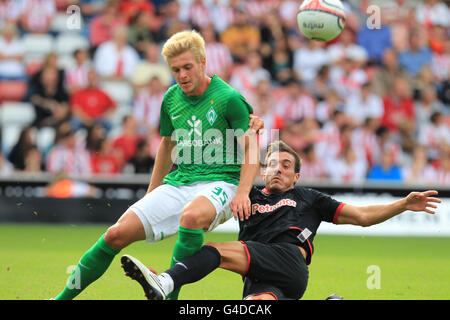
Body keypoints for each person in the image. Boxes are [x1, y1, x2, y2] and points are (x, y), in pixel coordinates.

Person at [53, 29, 262, 300]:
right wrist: (152, 191)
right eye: (176, 70)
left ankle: (168, 292)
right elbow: (167, 145)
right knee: (115, 234)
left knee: (190, 217)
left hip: (222, 182)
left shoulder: (229, 98)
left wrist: (243, 191)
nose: (183, 75)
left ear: (203, 62)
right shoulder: (171, 98)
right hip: (180, 181)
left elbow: (252, 146)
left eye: (188, 67)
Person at [121, 140, 441, 300]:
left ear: (296, 175)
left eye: (286, 165)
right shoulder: (248, 196)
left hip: (289, 259)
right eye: (272, 163)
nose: (278, 169)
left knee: (216, 252)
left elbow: (361, 217)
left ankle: (164, 282)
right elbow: (204, 209)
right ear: (262, 171)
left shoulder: (310, 199)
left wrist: (402, 204)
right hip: (261, 276)